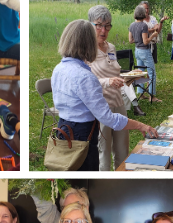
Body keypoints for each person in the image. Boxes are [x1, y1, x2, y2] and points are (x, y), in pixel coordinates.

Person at [51, 20, 155, 171]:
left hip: (63, 129)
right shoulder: (85, 76)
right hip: (82, 136)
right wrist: (140, 125)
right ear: (88, 44)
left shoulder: (59, 68)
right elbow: (108, 118)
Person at [87, 5, 130, 172]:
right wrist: (107, 82)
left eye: (107, 25)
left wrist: (125, 80)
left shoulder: (111, 47)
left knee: (122, 149)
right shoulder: (86, 50)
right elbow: (86, 82)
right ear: (90, 25)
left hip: (119, 102)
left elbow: (114, 71)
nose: (103, 30)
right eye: (99, 25)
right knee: (103, 151)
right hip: (101, 106)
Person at [128, 7, 160, 100]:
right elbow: (146, 42)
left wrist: (138, 40)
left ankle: (141, 94)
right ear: (144, 14)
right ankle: (152, 96)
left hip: (137, 50)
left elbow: (130, 40)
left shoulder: (131, 25)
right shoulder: (144, 25)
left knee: (140, 72)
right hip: (144, 51)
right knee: (151, 73)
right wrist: (153, 35)